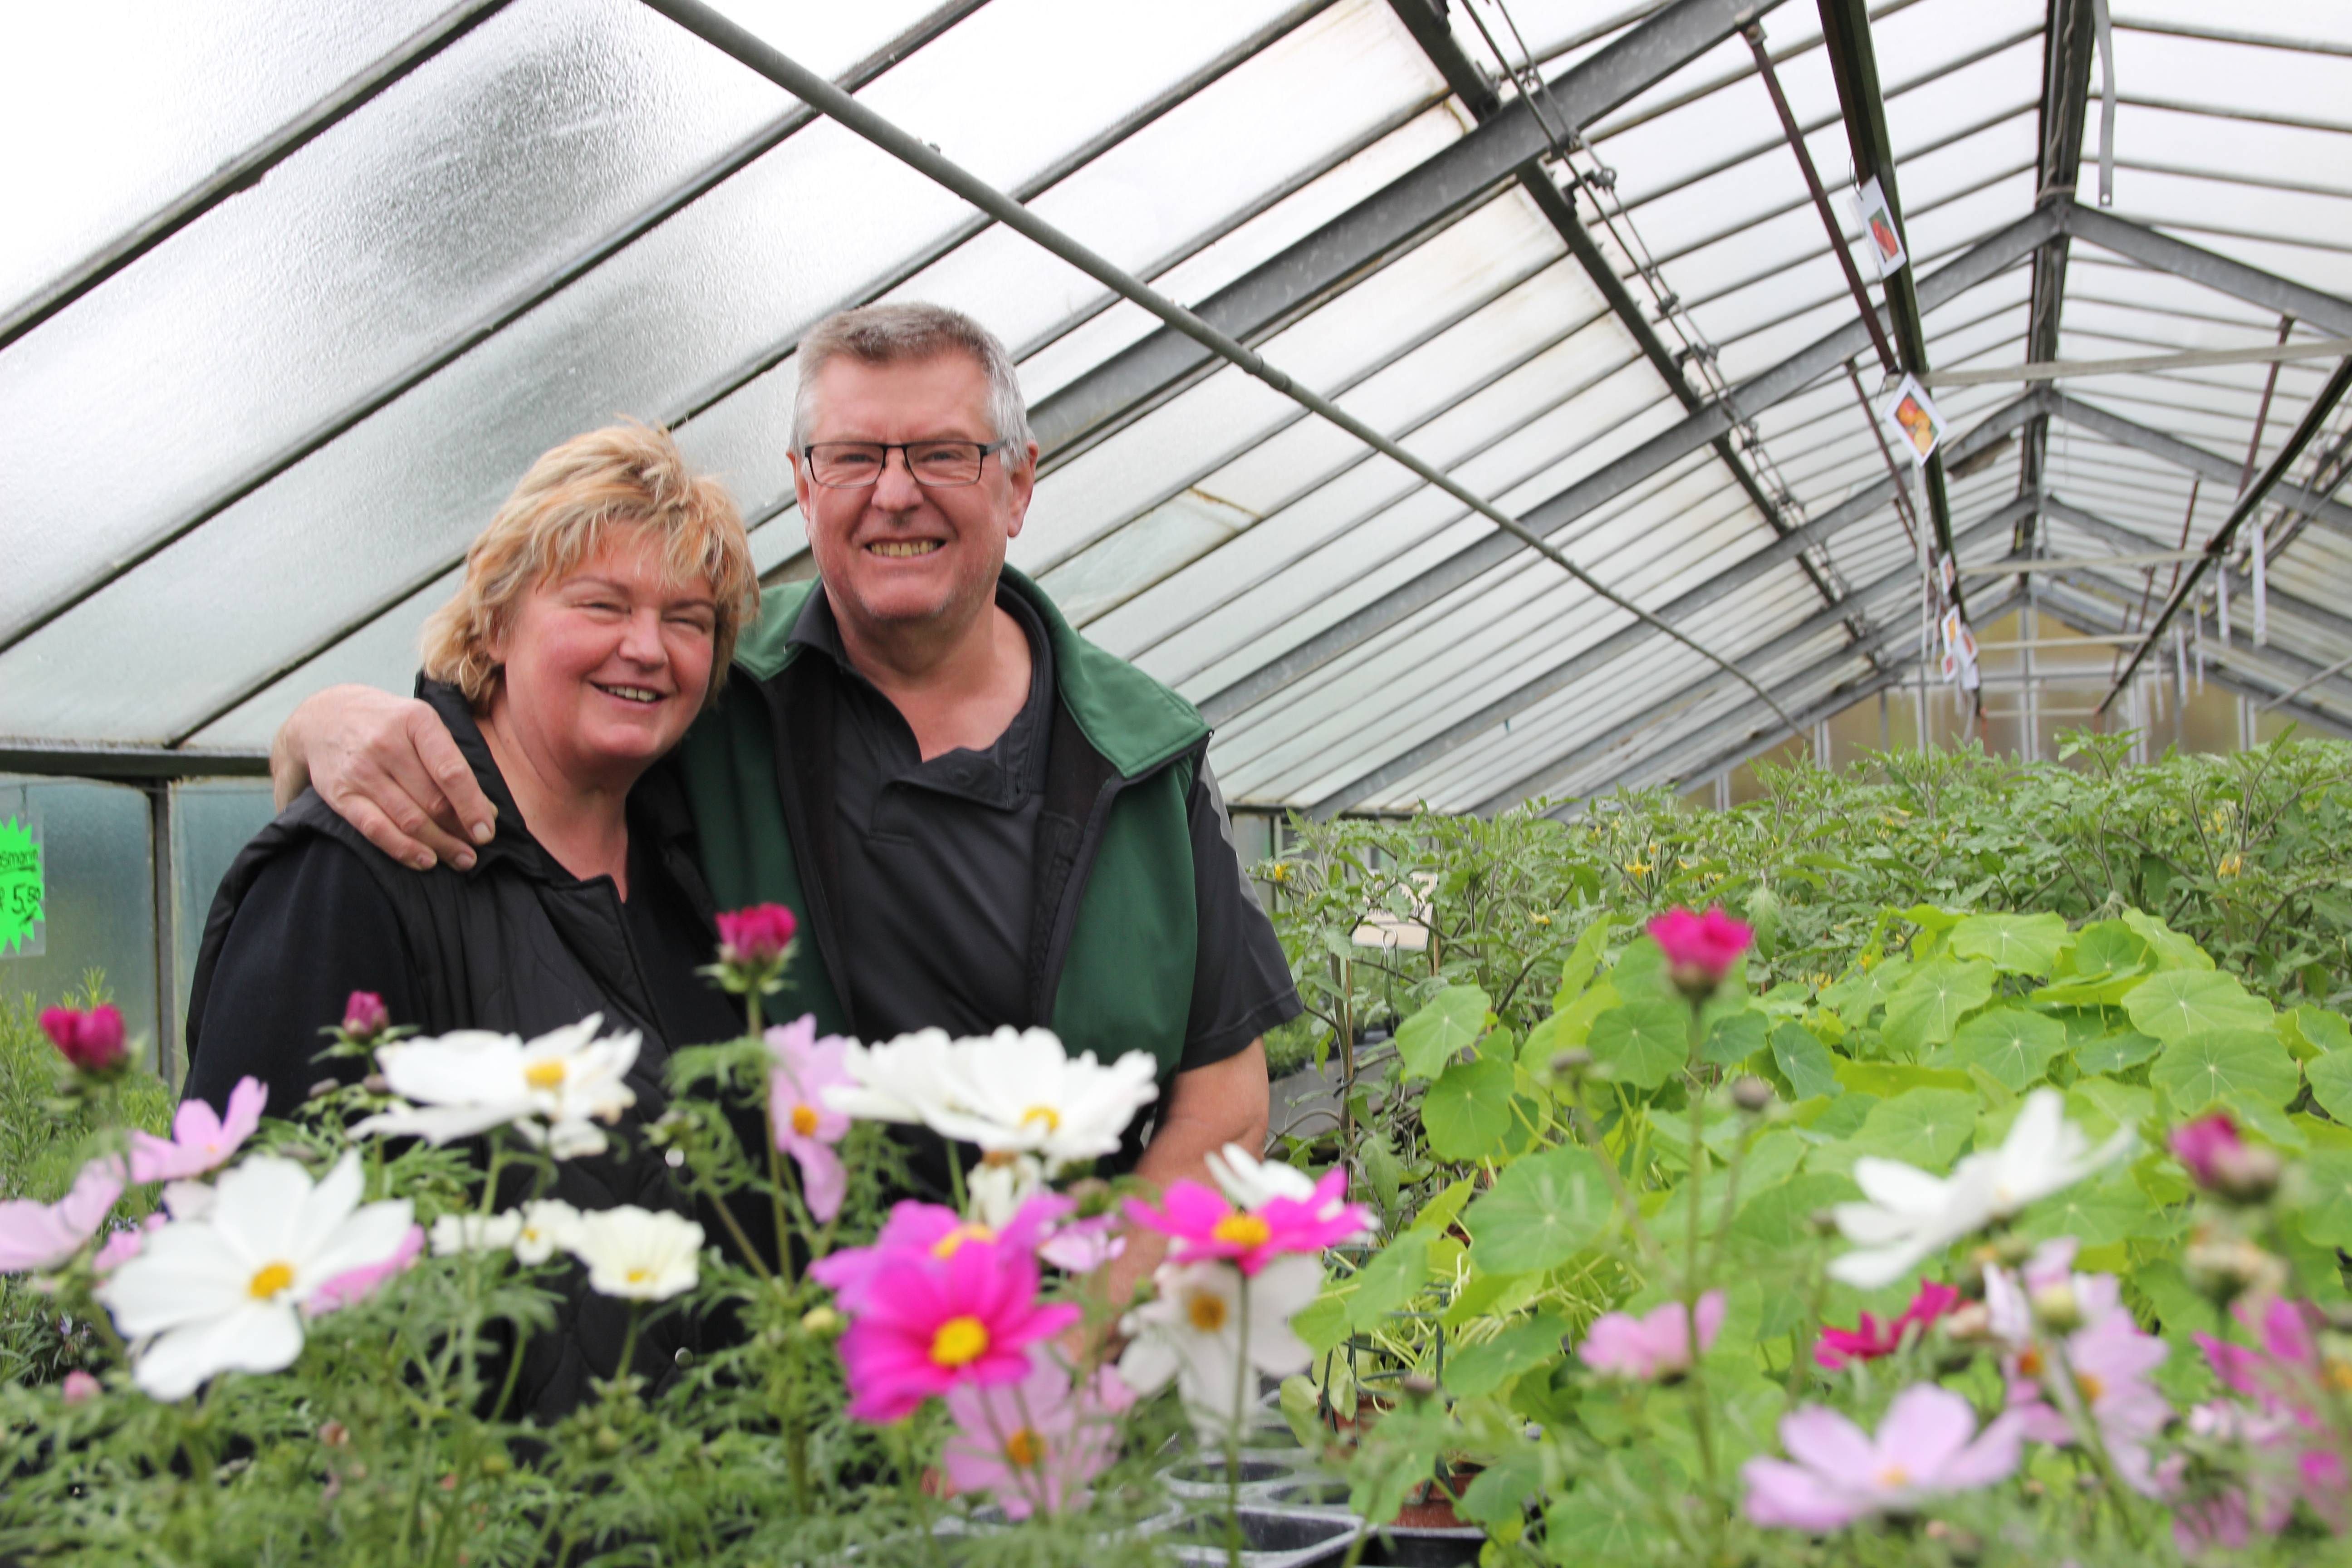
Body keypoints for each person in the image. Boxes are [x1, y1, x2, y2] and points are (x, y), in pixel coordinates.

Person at [272, 304, 1297, 1309]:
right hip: (794, 1385)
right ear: (805, 487)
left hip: (1087, 1383)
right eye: (853, 457)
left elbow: (1223, 1106)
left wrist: (1054, 1350)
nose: (895, 494)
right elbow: (519, 720)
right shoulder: (710, 713)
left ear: (1019, 481)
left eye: (944, 454)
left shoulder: (1138, 756)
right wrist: (314, 724)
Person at [185, 421, 762, 1417]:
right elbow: (246, 1238)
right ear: (494, 622)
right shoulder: (358, 867)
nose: (647, 648)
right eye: (601, 604)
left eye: (689, 619)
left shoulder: (694, 870)